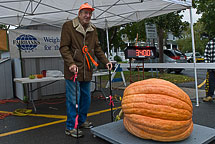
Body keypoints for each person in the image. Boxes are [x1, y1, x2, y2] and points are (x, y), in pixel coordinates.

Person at [60, 3, 112, 137]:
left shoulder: (93, 29)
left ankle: (82, 120)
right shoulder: (68, 26)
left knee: (86, 98)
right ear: (79, 14)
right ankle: (70, 127)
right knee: (73, 100)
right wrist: (71, 63)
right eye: (85, 13)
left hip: (87, 70)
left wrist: (106, 62)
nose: (88, 16)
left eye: (90, 13)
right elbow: (64, 48)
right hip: (74, 71)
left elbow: (98, 49)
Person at [203, 38, 215, 102]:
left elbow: (206, 55)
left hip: (211, 67)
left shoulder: (210, 43)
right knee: (211, 82)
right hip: (211, 67)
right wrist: (208, 65)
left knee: (211, 82)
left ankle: (210, 95)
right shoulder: (210, 43)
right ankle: (210, 96)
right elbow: (206, 55)